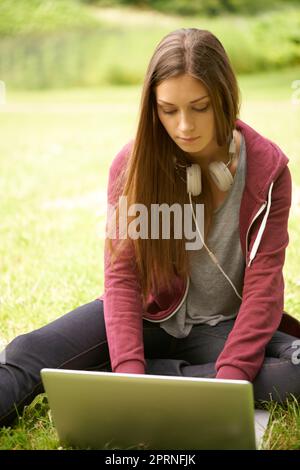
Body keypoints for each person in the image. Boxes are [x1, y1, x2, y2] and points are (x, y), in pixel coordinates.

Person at [1, 27, 300, 429]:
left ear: (226, 97)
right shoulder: (132, 165)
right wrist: (129, 371)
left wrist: (228, 381)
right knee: (29, 352)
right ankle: (127, 374)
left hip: (220, 326)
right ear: (152, 107)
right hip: (146, 314)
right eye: (168, 110)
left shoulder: (269, 173)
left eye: (200, 107)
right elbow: (122, 276)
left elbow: (265, 286)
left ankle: (110, 379)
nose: (183, 127)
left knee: (294, 371)